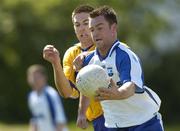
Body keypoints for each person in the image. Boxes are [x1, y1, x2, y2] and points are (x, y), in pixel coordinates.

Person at [80, 6, 164, 131]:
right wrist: (82, 112)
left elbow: (130, 86)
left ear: (113, 28)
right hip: (114, 125)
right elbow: (86, 85)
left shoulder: (125, 55)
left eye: (100, 28)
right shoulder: (88, 60)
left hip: (144, 122)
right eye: (92, 29)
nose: (95, 33)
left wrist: (118, 93)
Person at [43, 5, 107, 131]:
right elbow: (67, 92)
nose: (82, 28)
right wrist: (55, 63)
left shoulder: (108, 45)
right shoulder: (72, 53)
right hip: (98, 120)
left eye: (86, 23)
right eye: (77, 25)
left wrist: (88, 55)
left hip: (121, 113)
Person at [27, 64, 68, 131]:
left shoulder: (50, 94)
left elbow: (60, 120)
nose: (35, 80)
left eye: (38, 77)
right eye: (33, 77)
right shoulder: (31, 97)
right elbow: (35, 119)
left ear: (44, 78)